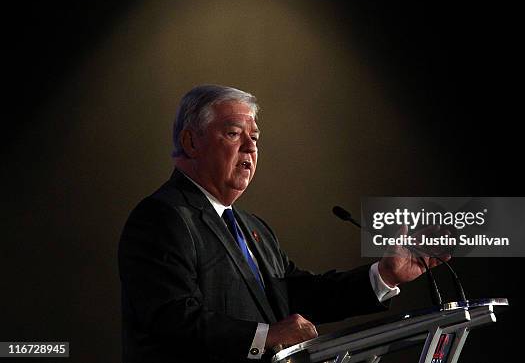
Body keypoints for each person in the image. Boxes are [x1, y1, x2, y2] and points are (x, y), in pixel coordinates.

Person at [118, 84, 446, 363]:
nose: (250, 147)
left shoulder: (252, 228)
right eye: (233, 134)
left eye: (255, 137)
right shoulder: (161, 217)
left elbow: (298, 294)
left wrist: (384, 275)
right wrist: (268, 335)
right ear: (191, 142)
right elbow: (172, 319)